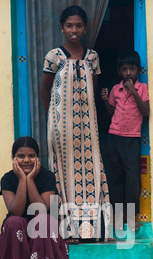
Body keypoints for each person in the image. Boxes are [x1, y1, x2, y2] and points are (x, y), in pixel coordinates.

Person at [40, 5, 111, 243]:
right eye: (69, 25)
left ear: (85, 28)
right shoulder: (54, 56)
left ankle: (92, 231)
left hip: (88, 126)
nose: (74, 30)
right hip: (62, 127)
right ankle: (69, 231)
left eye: (78, 25)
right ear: (62, 28)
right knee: (66, 174)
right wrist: (53, 118)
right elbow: (45, 89)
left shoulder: (93, 57)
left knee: (90, 171)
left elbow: (92, 89)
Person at [101, 50, 149, 228]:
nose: (128, 73)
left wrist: (134, 93)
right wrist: (106, 100)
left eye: (132, 69)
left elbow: (146, 112)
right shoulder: (115, 89)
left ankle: (131, 217)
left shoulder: (142, 89)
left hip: (131, 139)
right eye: (124, 69)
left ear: (138, 70)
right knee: (115, 177)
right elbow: (111, 114)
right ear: (119, 72)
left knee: (132, 178)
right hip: (113, 137)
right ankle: (119, 217)